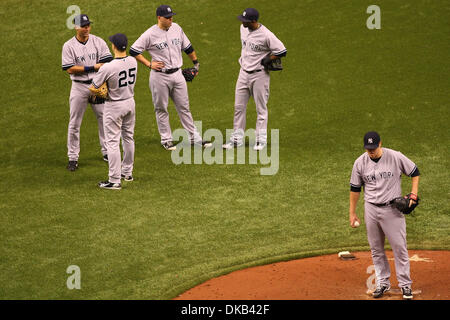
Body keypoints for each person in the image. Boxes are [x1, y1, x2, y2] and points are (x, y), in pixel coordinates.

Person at [349, 131, 420, 299]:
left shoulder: (395, 157)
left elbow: (415, 172)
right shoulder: (360, 163)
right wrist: (352, 212)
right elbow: (355, 188)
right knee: (376, 249)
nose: (371, 151)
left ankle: (405, 285)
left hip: (392, 210)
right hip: (371, 209)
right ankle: (383, 283)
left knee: (399, 248)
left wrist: (413, 194)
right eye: (368, 148)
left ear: (380, 143)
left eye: (373, 148)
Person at [129, 4, 210, 151]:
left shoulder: (177, 28)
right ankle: (166, 139)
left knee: (184, 107)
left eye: (171, 16)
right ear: (159, 18)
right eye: (167, 17)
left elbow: (188, 47)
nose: (171, 19)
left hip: (178, 74)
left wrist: (196, 63)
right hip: (159, 77)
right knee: (161, 108)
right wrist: (149, 64)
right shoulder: (149, 34)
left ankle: (194, 138)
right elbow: (133, 50)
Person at [222, 8, 287, 151]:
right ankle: (237, 140)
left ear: (253, 21)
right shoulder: (243, 29)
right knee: (238, 107)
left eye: (245, 20)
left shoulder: (266, 35)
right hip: (243, 73)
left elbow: (282, 51)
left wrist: (269, 58)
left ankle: (260, 140)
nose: (242, 22)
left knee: (261, 108)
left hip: (260, 75)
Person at [62, 14, 113, 171]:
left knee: (104, 119)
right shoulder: (69, 46)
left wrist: (100, 80)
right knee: (75, 123)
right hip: (78, 87)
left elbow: (108, 62)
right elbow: (69, 68)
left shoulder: (98, 41)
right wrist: (92, 67)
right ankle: (72, 157)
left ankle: (107, 152)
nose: (86, 28)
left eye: (88, 25)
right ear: (76, 27)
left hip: (97, 86)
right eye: (83, 26)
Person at [89, 33, 137, 190]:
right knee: (128, 138)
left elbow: (94, 87)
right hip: (130, 102)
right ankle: (127, 173)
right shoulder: (133, 61)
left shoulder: (108, 67)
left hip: (114, 106)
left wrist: (102, 92)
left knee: (112, 142)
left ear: (114, 46)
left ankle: (114, 180)